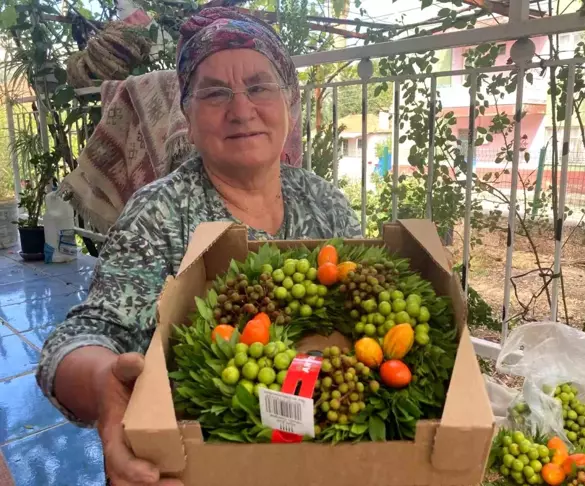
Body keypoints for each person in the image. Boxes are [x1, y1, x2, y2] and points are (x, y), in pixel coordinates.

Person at [36, 8, 361, 486]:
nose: (241, 109)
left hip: (317, 456)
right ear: (186, 114)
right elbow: (80, 339)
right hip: (198, 465)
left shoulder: (324, 203)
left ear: (290, 100)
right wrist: (105, 383)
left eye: (259, 86)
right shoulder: (163, 213)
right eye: (214, 93)